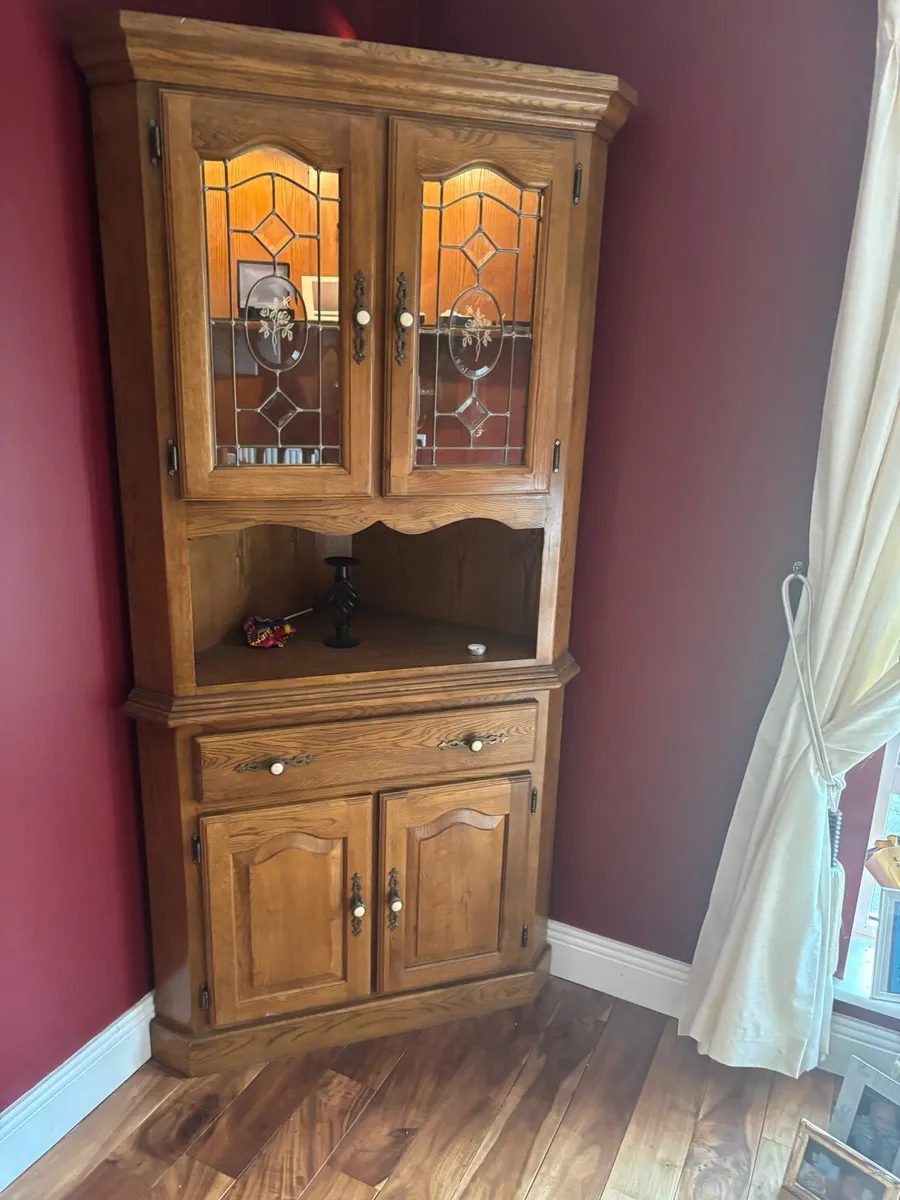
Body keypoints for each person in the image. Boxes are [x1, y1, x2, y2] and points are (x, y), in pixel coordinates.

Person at [849, 1098, 900, 1170]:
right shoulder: (861, 1125)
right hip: (857, 1161)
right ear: (870, 1116)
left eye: (890, 1122)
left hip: (882, 1171)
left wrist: (896, 1135)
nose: (885, 1124)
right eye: (880, 1118)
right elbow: (847, 1119)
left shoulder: (894, 1142)